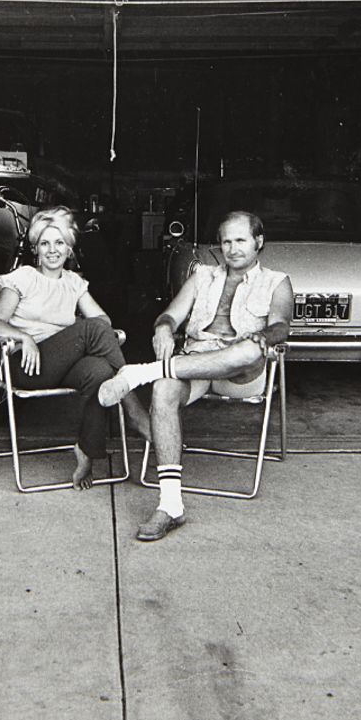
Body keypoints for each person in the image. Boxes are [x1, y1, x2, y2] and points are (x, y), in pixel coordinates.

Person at [97, 211, 293, 542]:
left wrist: (267, 336)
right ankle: (170, 505)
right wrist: (163, 328)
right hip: (195, 363)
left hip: (242, 371)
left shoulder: (276, 281)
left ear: (259, 242)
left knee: (247, 349)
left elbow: (282, 324)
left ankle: (138, 373)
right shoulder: (202, 275)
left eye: (240, 240)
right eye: (226, 241)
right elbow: (171, 314)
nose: (232, 249)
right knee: (163, 388)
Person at [0, 207, 147, 489]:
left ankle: (86, 450)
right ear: (35, 248)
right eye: (45, 243)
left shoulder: (74, 283)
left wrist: (74, 335)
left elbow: (103, 320)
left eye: (59, 243)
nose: (52, 250)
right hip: (26, 365)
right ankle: (133, 408)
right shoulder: (24, 277)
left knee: (99, 371)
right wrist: (26, 338)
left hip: (61, 364)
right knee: (93, 329)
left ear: (69, 248)